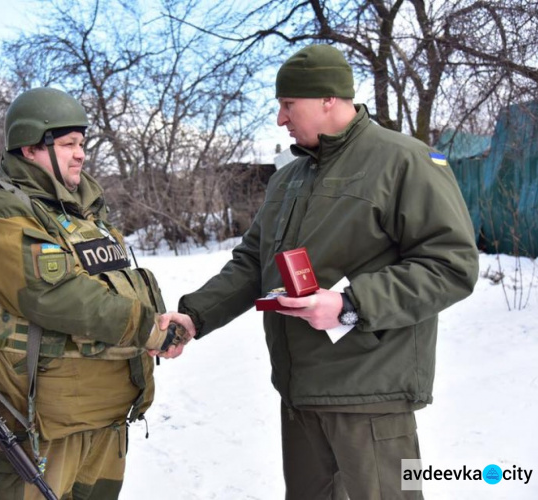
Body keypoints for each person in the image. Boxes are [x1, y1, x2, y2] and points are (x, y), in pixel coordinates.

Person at [174, 44, 479, 499]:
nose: (281, 118)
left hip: (369, 394)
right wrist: (195, 316)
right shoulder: (288, 177)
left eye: (287, 105)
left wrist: (350, 304)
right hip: (301, 395)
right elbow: (252, 262)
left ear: (328, 99)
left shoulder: (405, 161)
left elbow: (452, 265)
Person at [0, 87, 191, 500]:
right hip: (44, 426)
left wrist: (159, 321)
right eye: (68, 144)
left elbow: (120, 284)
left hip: (107, 413)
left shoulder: (86, 214)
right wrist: (146, 329)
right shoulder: (3, 211)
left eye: (82, 144)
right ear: (31, 148)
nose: (81, 154)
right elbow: (55, 295)